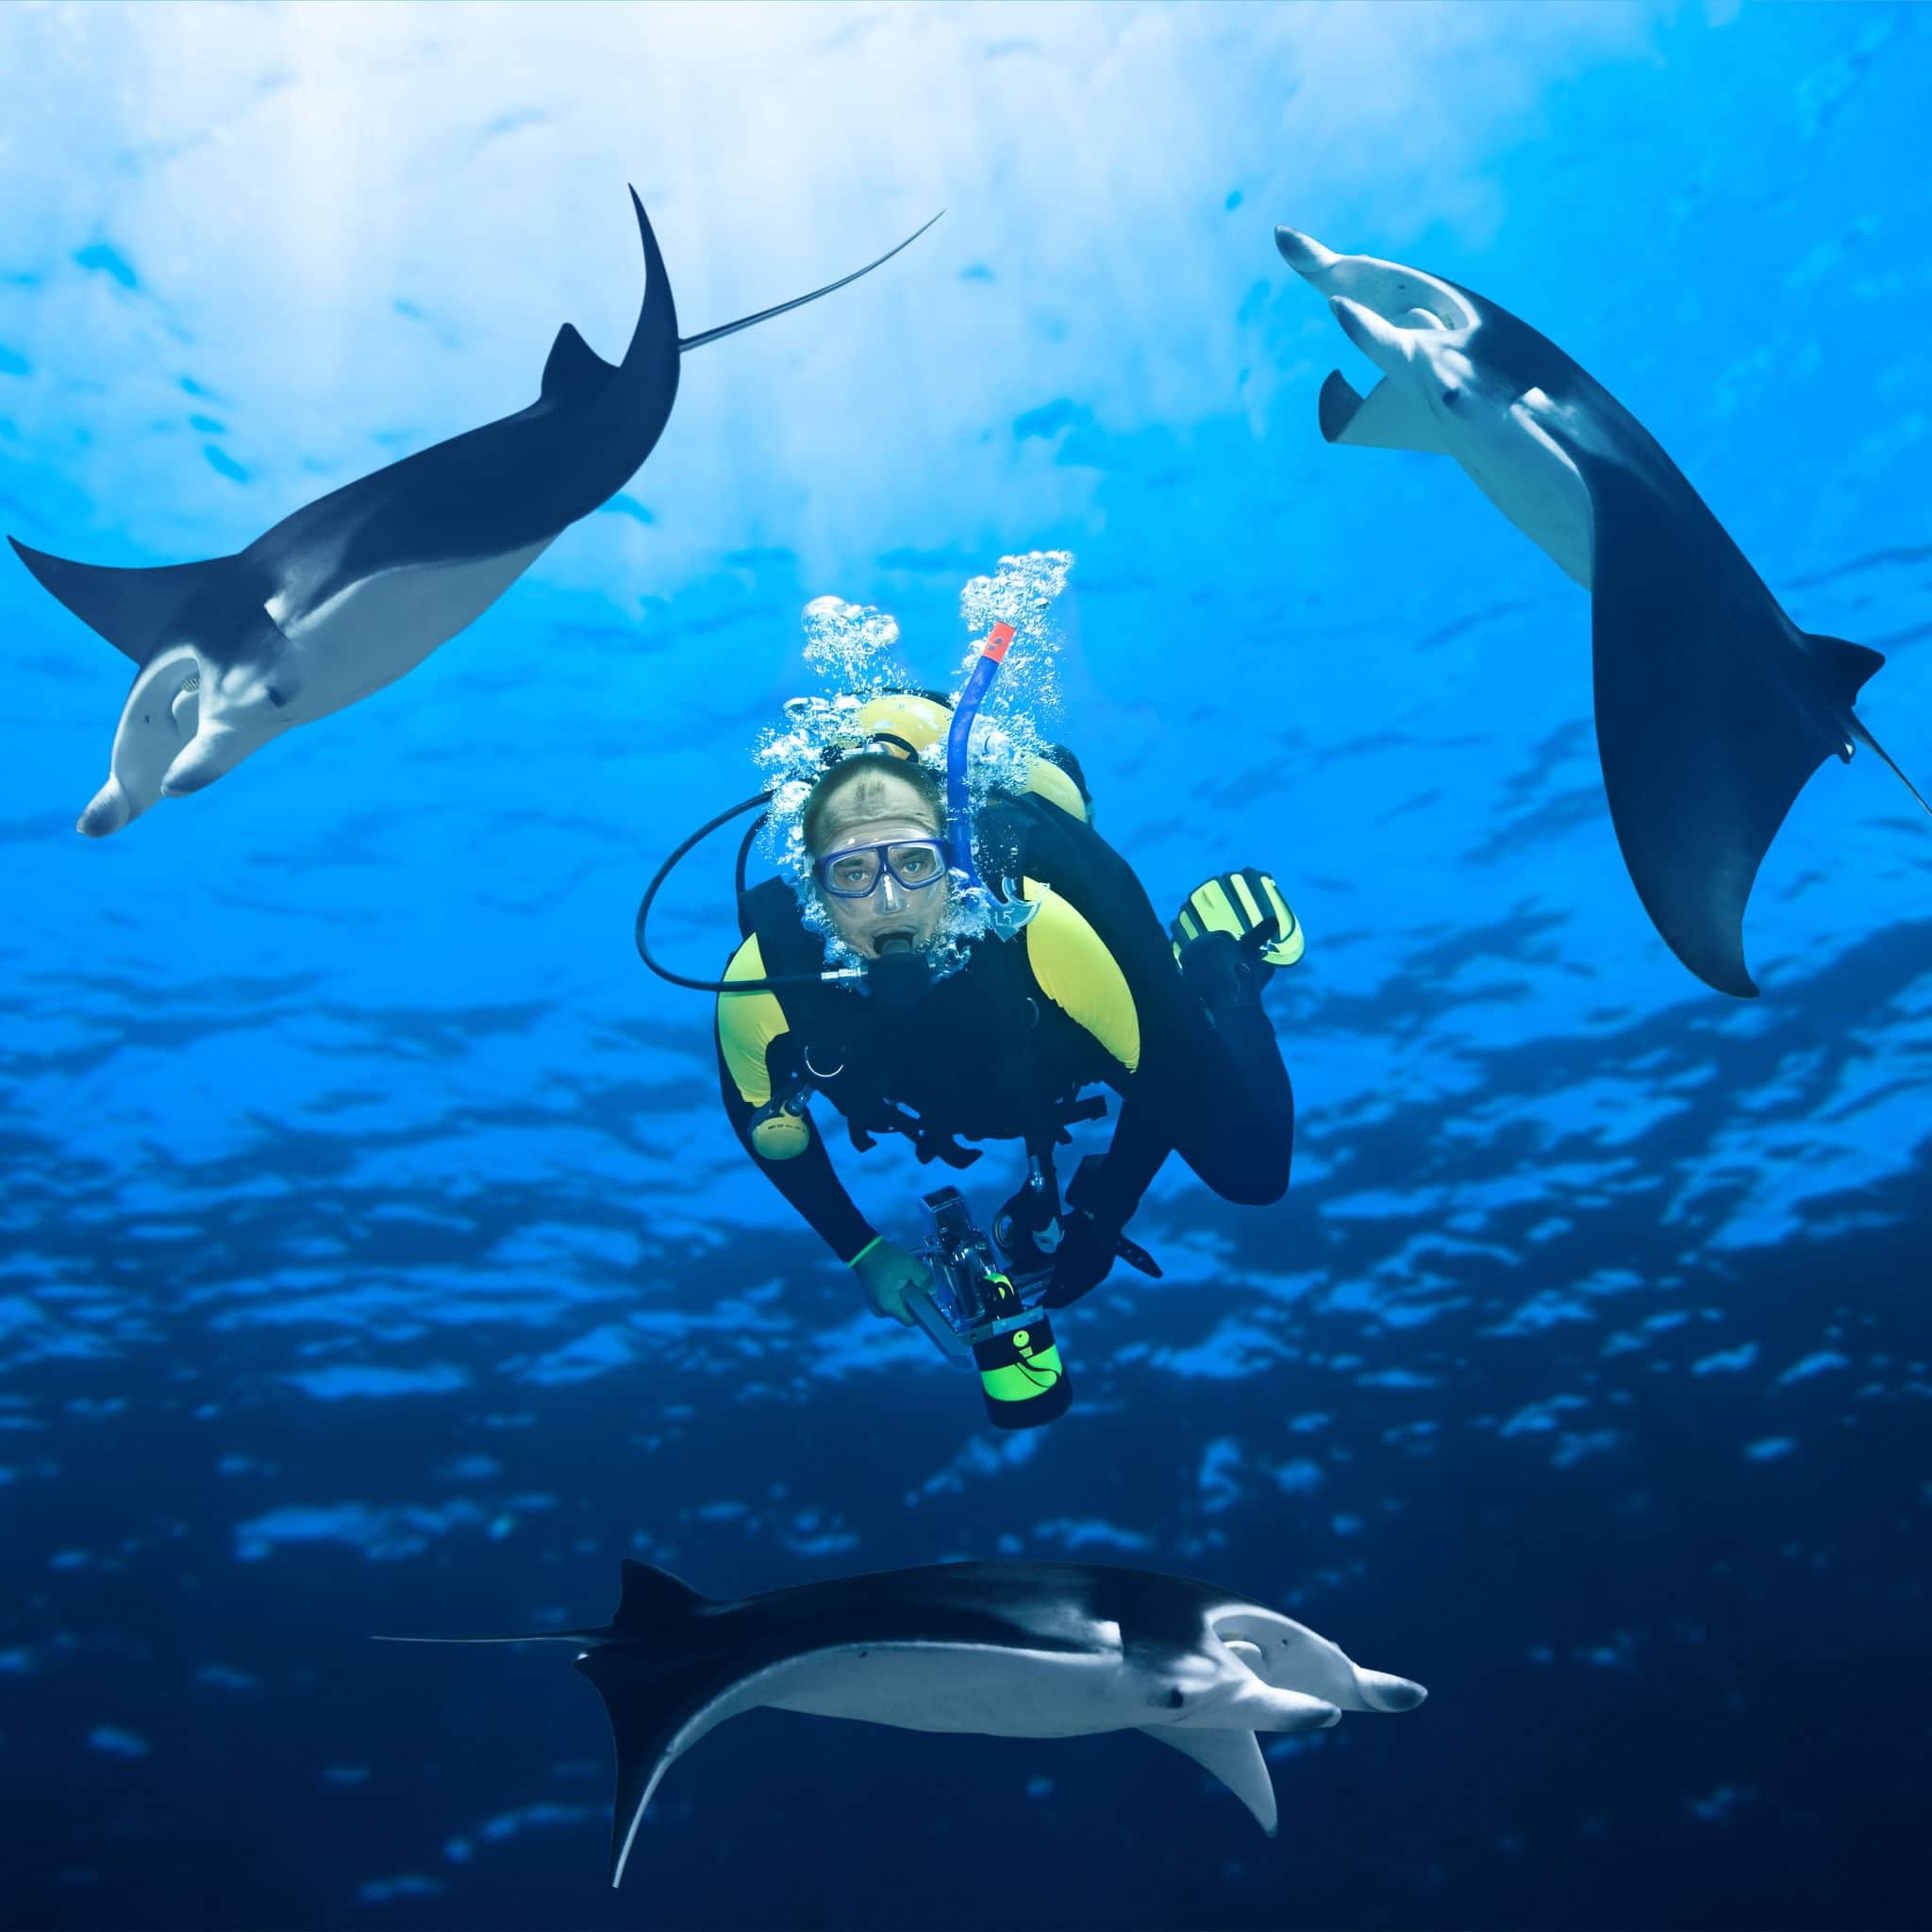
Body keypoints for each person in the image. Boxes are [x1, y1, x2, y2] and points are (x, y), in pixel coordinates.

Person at [713, 713, 1302, 1326]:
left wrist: (1105, 1210)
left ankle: (1217, 967)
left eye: (915, 863)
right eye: (853, 872)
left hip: (1068, 976)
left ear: (954, 859)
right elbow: (755, 1113)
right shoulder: (762, 977)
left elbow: (1160, 1072)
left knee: (1252, 1170)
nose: (888, 902)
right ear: (814, 888)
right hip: (994, 1063)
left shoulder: (1038, 927)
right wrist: (863, 1253)